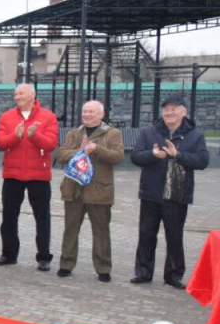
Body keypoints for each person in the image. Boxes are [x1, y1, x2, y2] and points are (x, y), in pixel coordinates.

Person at [131, 95, 210, 288]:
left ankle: (173, 275)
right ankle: (143, 272)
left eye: (174, 108)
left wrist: (178, 155)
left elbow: (202, 161)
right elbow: (135, 156)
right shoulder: (149, 132)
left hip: (177, 195)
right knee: (146, 234)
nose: (169, 112)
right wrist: (152, 154)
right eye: (166, 109)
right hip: (151, 193)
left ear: (184, 111)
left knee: (174, 236)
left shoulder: (195, 135)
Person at [55, 100, 124, 282]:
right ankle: (66, 264)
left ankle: (103, 268)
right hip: (74, 189)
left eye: (91, 112)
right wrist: (80, 150)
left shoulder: (113, 133)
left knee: (101, 231)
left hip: (99, 190)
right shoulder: (74, 133)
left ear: (101, 115)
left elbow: (117, 157)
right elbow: (61, 155)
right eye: (85, 111)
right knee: (70, 229)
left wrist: (97, 150)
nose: (86, 115)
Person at [0, 83, 59, 270]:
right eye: (15, 93)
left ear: (32, 95)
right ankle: (8, 254)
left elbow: (51, 144)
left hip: (39, 175)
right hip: (13, 174)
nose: (17, 96)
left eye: (20, 93)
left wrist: (34, 136)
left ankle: (44, 257)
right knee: (8, 217)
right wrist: (16, 136)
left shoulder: (48, 117)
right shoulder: (7, 117)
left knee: (42, 217)